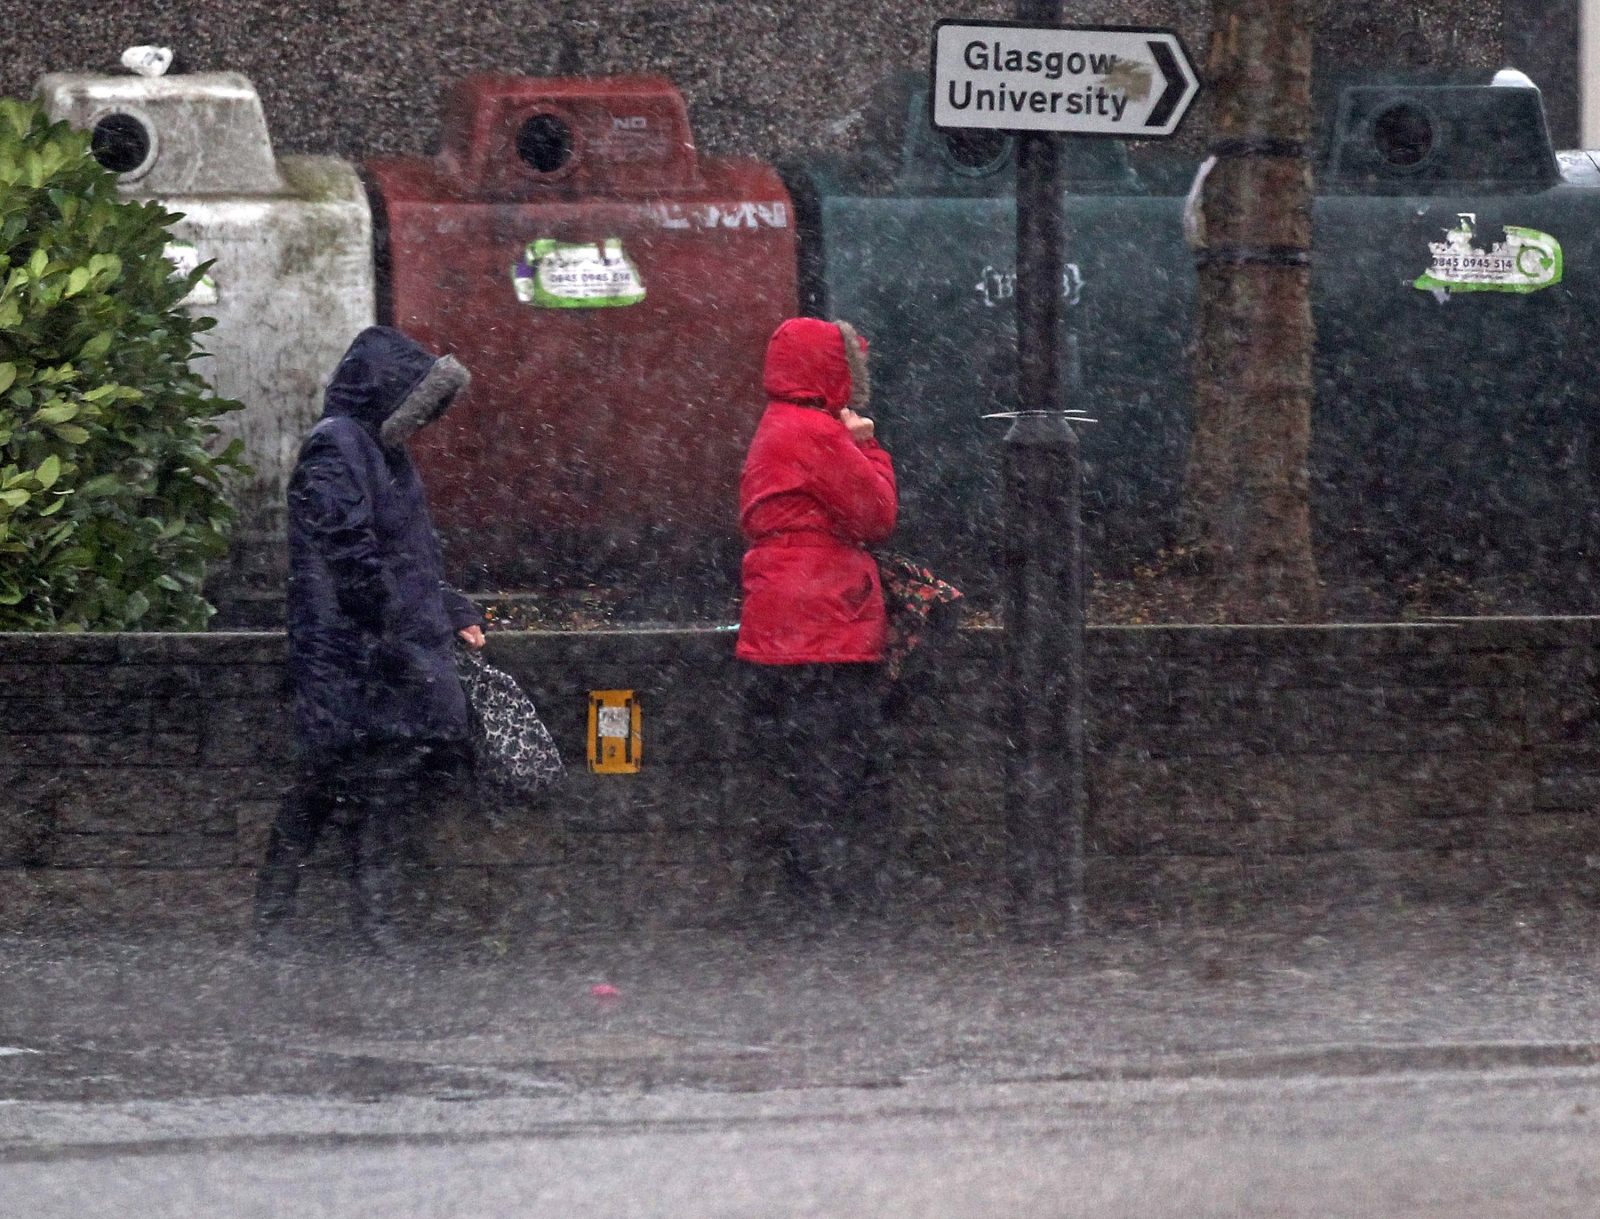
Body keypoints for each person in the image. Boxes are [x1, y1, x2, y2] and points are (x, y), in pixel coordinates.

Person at [254, 326, 484, 953]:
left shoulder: (374, 449)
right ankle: (345, 927)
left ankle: (308, 924)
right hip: (355, 655)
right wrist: (399, 622)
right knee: (336, 788)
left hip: (364, 652)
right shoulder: (341, 447)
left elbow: (407, 555)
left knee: (350, 789)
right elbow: (349, 551)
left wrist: (449, 608)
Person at [736, 317, 897, 910]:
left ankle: (802, 896)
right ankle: (838, 900)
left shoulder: (776, 424)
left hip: (777, 622)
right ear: (834, 372)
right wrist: (868, 445)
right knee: (842, 769)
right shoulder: (816, 432)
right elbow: (876, 516)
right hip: (828, 623)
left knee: (800, 770)